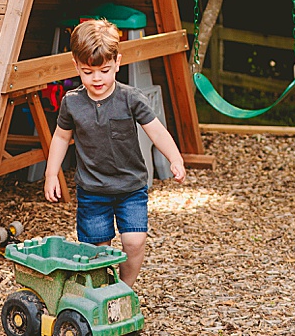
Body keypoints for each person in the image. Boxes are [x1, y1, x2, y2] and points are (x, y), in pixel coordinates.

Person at [42, 18, 187, 286]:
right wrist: (51, 174)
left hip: (130, 187)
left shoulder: (130, 98)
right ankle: (102, 290)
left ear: (117, 63)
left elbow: (155, 130)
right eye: (87, 72)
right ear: (76, 66)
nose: (97, 79)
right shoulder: (72, 103)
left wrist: (175, 157)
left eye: (105, 71)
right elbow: (61, 137)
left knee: (134, 240)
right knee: (98, 249)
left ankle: (125, 289)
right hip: (93, 190)